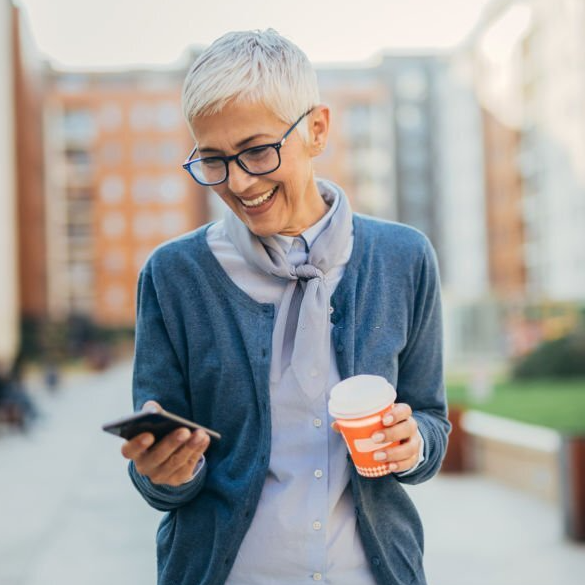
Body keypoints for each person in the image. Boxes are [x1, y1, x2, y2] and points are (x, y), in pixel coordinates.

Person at [121, 29, 450, 585]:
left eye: (256, 150)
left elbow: (431, 423)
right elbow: (159, 469)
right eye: (213, 160)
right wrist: (166, 473)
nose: (239, 181)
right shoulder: (173, 276)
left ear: (317, 129)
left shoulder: (403, 259)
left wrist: (411, 441)